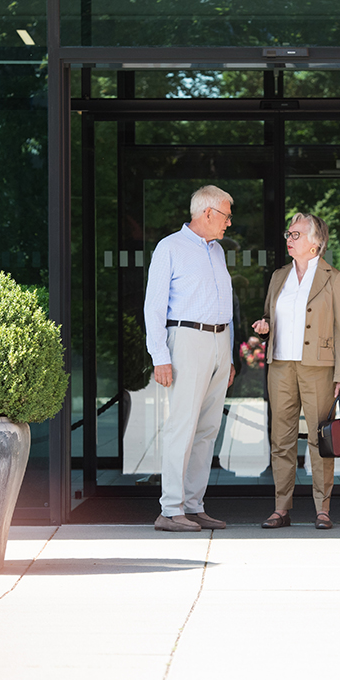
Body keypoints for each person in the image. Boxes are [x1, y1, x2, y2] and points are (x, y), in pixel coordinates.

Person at [144, 185, 237, 532]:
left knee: (208, 428)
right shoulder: (169, 247)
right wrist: (160, 356)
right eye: (226, 215)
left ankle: (194, 506)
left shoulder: (217, 251)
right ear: (208, 213)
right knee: (182, 426)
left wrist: (228, 356)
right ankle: (170, 510)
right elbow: (154, 306)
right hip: (186, 339)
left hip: (219, 341)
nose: (229, 222)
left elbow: (224, 304)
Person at [252, 213, 340, 530]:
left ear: (316, 242)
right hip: (280, 366)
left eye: (296, 234)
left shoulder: (334, 278)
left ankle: (323, 509)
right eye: (288, 233)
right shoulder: (279, 276)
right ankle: (281, 508)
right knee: (280, 440)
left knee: (320, 440)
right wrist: (264, 327)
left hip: (318, 368)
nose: (289, 239)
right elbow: (269, 317)